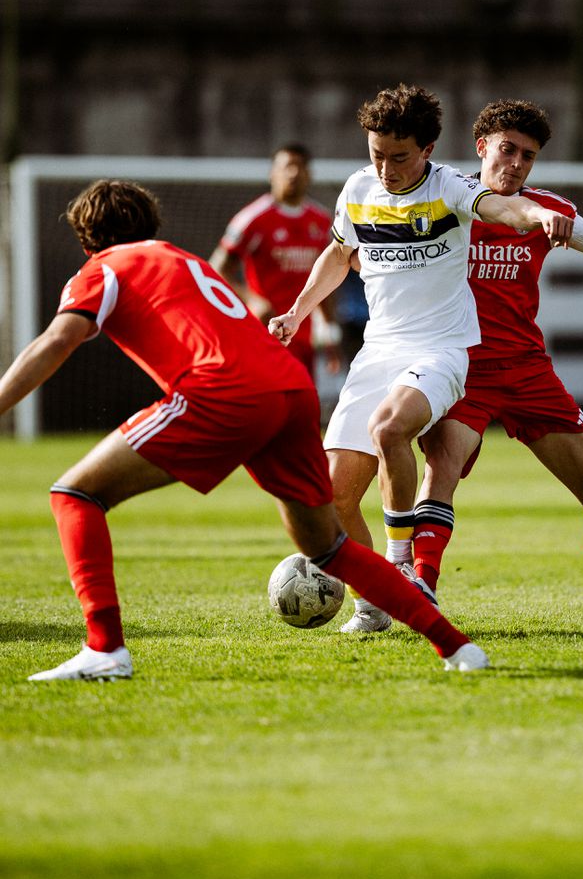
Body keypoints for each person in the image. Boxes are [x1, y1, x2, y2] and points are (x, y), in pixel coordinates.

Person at [270, 85, 583, 633]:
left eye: (527, 155)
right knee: (436, 471)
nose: (515, 162)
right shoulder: (437, 197)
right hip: (460, 366)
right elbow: (356, 253)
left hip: (523, 369)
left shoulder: (532, 210)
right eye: (507, 149)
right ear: (481, 146)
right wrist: (307, 306)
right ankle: (409, 587)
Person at [1, 179, 490, 679]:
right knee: (329, 547)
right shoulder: (182, 258)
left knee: (74, 495)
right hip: (288, 387)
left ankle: (104, 651)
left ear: (88, 242)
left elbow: (57, 340)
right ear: (151, 225)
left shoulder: (103, 267)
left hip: (222, 392)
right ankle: (457, 648)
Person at [269, 82, 583, 632]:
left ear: (428, 151)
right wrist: (296, 314)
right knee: (334, 496)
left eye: (399, 157)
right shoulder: (358, 189)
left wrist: (537, 216)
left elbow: (502, 207)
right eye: (376, 155)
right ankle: (373, 602)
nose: (386, 169)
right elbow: (340, 253)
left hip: (442, 348)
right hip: (378, 351)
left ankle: (399, 568)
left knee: (391, 429)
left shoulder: (452, 189)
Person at [209, 143, 340, 377]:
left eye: (300, 167)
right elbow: (216, 269)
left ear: (309, 174)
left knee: (302, 408)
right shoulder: (253, 219)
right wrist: (252, 300)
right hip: (264, 333)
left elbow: (327, 277)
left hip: (303, 336)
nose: (293, 173)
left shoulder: (320, 221)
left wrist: (329, 331)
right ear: (272, 173)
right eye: (287, 167)